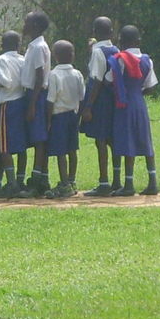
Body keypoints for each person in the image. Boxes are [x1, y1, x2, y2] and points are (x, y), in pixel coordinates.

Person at [107, 25, 159, 196]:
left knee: (128, 142)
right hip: (139, 103)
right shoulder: (147, 60)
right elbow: (151, 86)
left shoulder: (119, 59)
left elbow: (109, 80)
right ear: (139, 41)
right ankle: (153, 182)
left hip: (124, 104)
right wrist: (138, 92)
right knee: (145, 140)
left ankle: (128, 184)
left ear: (120, 41)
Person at [78, 16, 121, 197]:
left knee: (100, 140)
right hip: (112, 97)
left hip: (99, 99)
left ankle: (104, 182)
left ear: (94, 32)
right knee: (112, 140)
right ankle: (117, 180)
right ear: (112, 32)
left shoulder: (97, 52)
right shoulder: (115, 49)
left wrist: (88, 106)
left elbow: (97, 80)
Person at [45, 40, 86, 198]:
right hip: (73, 115)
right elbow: (82, 98)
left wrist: (48, 120)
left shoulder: (54, 74)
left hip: (58, 117)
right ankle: (72, 180)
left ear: (55, 56)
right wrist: (79, 116)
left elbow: (51, 100)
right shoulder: (77, 74)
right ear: (72, 56)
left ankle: (64, 184)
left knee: (60, 151)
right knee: (72, 149)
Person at [0, 31, 28, 199]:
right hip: (21, 101)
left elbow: (6, 82)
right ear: (18, 45)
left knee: (4, 145)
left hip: (7, 103)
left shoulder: (2, 60)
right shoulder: (23, 59)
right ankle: (20, 180)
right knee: (21, 145)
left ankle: (11, 183)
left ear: (2, 45)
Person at [21, 10, 52, 195]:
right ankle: (42, 179)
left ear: (34, 26)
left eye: (26, 21)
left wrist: (32, 104)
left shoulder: (39, 47)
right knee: (36, 138)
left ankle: (36, 180)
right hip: (32, 94)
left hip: (37, 95)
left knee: (39, 139)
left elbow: (40, 76)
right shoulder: (33, 46)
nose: (23, 24)